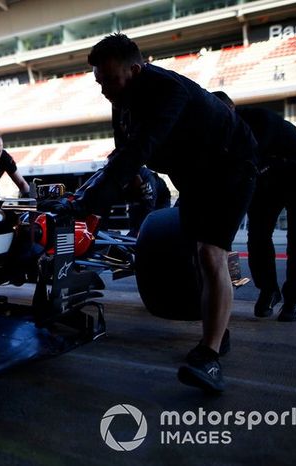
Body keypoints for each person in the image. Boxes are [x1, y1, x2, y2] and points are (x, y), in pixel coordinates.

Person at [43, 33, 257, 393]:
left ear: (136, 71)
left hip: (231, 168)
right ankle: (218, 332)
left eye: (110, 80)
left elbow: (138, 151)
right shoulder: (121, 98)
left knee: (211, 253)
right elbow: (120, 157)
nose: (104, 89)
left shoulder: (168, 91)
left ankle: (208, 357)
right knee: (194, 252)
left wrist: (84, 205)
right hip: (192, 176)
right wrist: (82, 203)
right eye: (99, 82)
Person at [214, 91, 296, 322]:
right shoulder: (220, 130)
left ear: (232, 109)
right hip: (266, 181)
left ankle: (293, 299)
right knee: (257, 235)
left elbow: (249, 159)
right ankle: (268, 290)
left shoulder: (260, 120)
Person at [125, 166, 171, 237]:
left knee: (154, 223)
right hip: (139, 197)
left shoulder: (147, 179)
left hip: (160, 201)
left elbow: (149, 208)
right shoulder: (123, 176)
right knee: (134, 221)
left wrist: (141, 230)